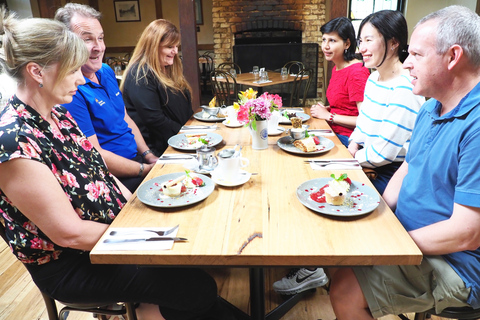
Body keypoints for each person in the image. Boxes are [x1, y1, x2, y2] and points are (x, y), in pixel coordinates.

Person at [0, 10, 236, 320]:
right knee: (196, 286)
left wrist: (142, 215)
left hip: (109, 233)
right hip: (74, 263)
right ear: (36, 72)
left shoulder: (58, 115)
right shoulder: (14, 141)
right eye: (73, 70)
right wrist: (146, 236)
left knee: (188, 265)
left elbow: (103, 177)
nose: (82, 79)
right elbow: (68, 234)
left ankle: (155, 309)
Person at [329, 6, 480, 319]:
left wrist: (391, 242)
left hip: (456, 261)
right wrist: (378, 214)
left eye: (417, 55)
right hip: (409, 235)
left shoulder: (476, 126)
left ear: (452, 57)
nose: (407, 63)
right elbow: (408, 167)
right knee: (337, 247)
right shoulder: (430, 108)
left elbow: (467, 233)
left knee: (344, 289)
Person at [54, 3, 158, 193]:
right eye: (87, 39)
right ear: (65, 44)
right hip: (114, 177)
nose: (99, 47)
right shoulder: (71, 90)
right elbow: (96, 154)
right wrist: (145, 170)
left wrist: (148, 154)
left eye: (101, 38)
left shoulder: (106, 71)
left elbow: (124, 118)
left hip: (138, 161)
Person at [347, 10, 424, 194]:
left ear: (394, 42)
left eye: (368, 40)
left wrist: (351, 158)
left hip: (389, 172)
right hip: (366, 157)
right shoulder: (374, 79)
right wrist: (353, 144)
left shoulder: (405, 88)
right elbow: (363, 124)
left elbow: (384, 153)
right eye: (360, 41)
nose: (361, 49)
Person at [120, 19, 193, 156]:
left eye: (177, 46)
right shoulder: (140, 74)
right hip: (157, 149)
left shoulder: (168, 68)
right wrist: (187, 135)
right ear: (153, 46)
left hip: (178, 140)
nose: (175, 51)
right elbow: (154, 119)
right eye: (170, 47)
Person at [311, 17, 370, 147]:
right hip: (333, 131)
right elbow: (345, 107)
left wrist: (329, 116)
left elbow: (365, 120)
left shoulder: (357, 72)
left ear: (347, 44)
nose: (326, 46)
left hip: (348, 139)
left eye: (332, 40)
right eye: (324, 40)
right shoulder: (337, 68)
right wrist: (326, 110)